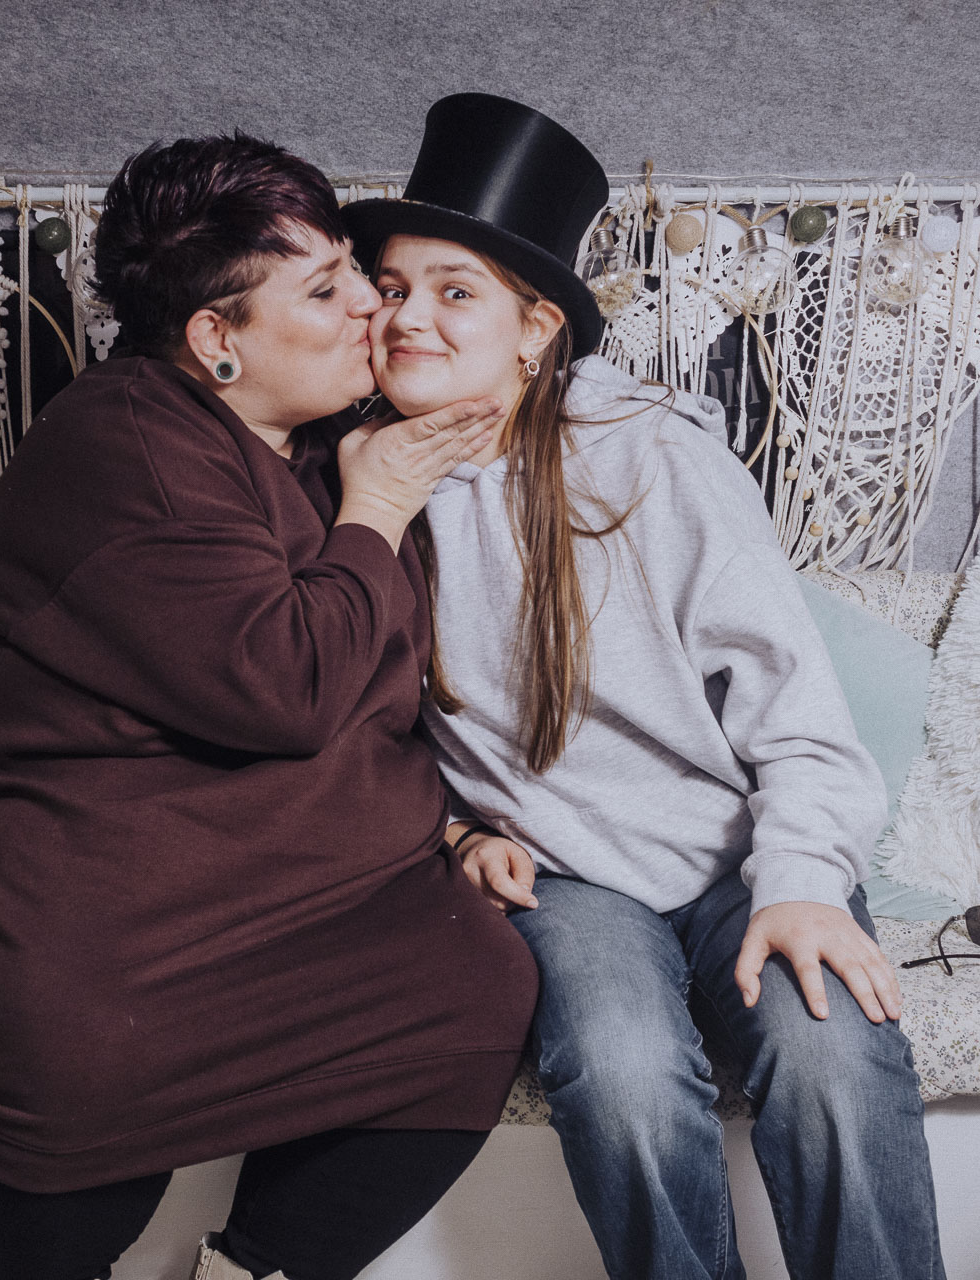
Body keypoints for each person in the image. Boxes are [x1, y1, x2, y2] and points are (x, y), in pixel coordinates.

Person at [0, 132, 539, 1280]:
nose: (371, 308)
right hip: (105, 913)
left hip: (290, 889)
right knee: (83, 1093)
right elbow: (290, 689)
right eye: (326, 289)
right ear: (215, 339)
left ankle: (247, 1270)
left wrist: (447, 828)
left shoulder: (304, 436)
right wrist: (381, 504)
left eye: (356, 270)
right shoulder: (128, 452)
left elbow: (384, 687)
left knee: (476, 988)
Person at [344, 93, 946, 1280]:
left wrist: (806, 884)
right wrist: (457, 831)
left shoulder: (653, 456)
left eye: (455, 291)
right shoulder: (357, 484)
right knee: (619, 1072)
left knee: (831, 1055)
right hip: (567, 875)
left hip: (737, 852)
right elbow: (347, 727)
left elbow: (797, 710)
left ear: (535, 330)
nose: (409, 316)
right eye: (394, 287)